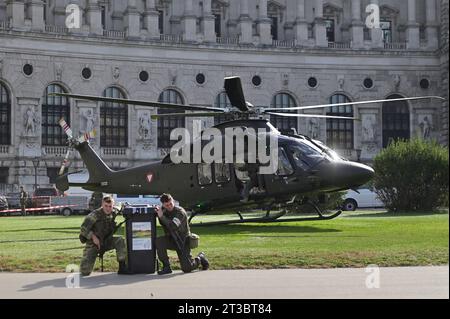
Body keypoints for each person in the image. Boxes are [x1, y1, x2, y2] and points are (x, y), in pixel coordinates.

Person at [155, 193, 209, 275]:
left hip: (183, 241)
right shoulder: (163, 211)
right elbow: (163, 223)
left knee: (187, 268)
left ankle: (200, 258)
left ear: (173, 201)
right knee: (159, 241)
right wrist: (158, 214)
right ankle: (166, 267)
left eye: (170, 204)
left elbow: (173, 226)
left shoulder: (180, 212)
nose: (169, 206)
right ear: (163, 204)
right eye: (166, 205)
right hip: (171, 239)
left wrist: (161, 216)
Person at [79, 195, 128, 276]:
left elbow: (119, 206)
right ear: (102, 204)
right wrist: (93, 237)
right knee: (85, 272)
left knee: (120, 240)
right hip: (94, 244)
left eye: (110, 206)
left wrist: (124, 206)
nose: (108, 208)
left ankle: (122, 267)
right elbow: (83, 229)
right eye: (106, 206)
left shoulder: (114, 211)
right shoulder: (94, 215)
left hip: (106, 241)